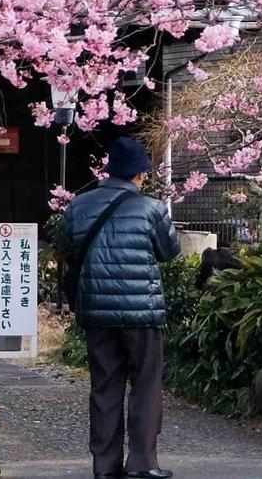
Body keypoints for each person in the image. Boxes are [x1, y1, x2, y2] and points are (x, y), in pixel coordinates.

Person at [61, 137, 181, 479]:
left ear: (109, 169)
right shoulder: (152, 208)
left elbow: (67, 247)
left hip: (97, 312)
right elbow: (169, 252)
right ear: (141, 173)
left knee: (104, 386)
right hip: (142, 313)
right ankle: (143, 464)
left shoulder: (78, 206)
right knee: (145, 383)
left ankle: (104, 467)